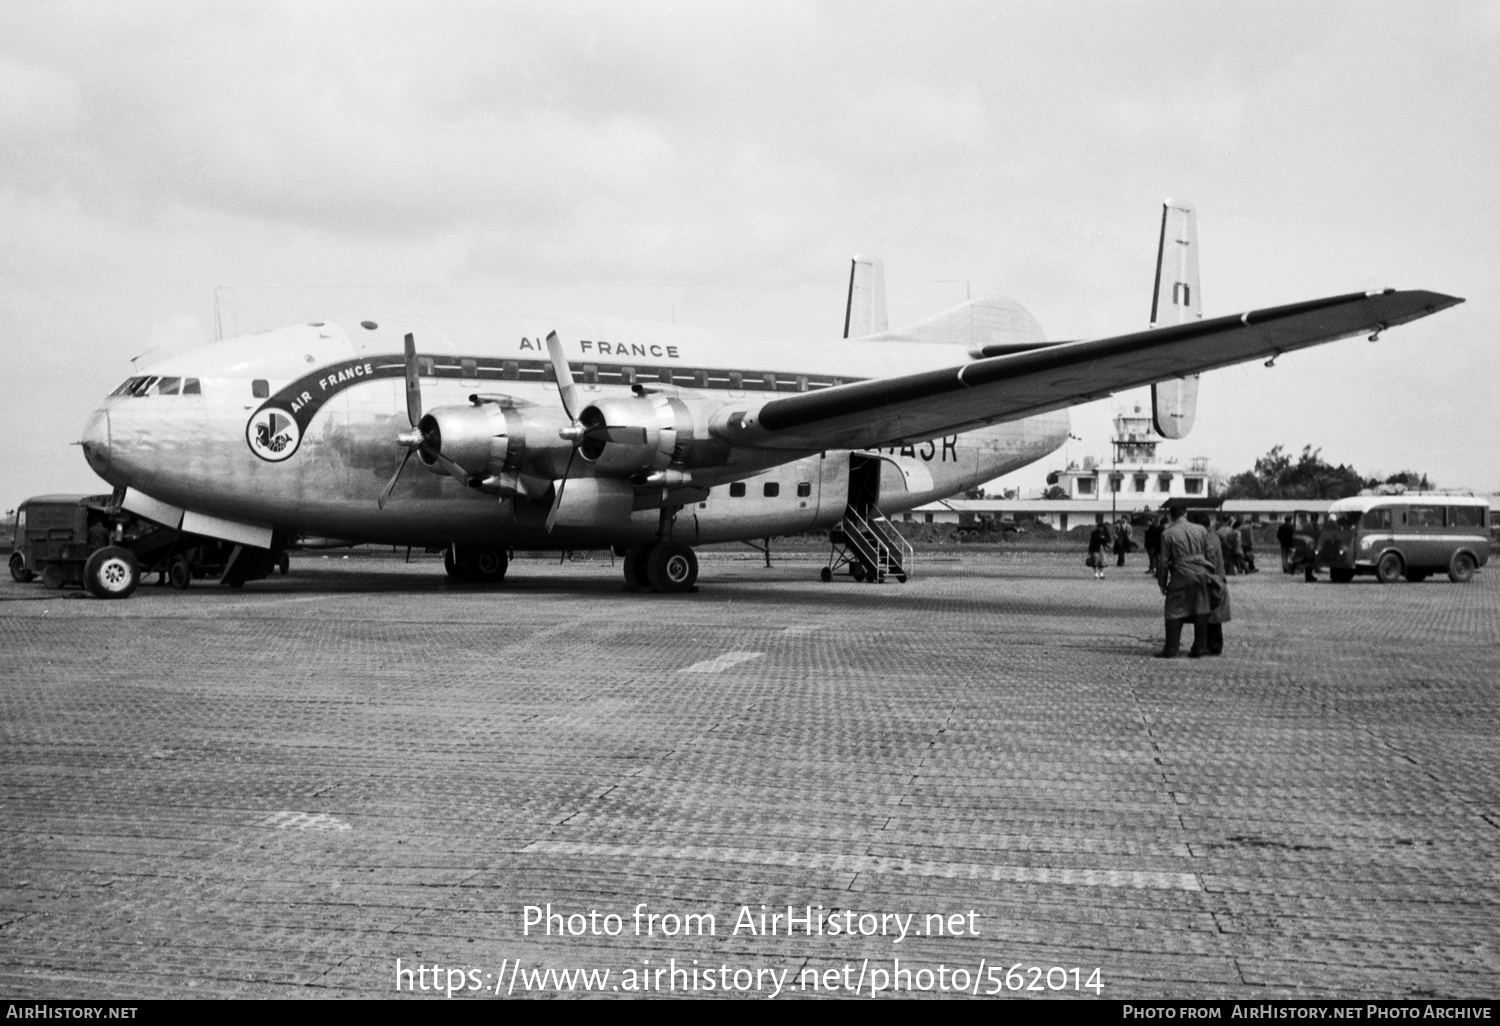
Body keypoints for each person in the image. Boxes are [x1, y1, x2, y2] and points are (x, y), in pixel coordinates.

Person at [1155, 506, 1216, 658]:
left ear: (1170, 516)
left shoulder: (1167, 534)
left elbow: (1163, 562)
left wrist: (1162, 583)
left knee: (1173, 610)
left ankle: (1171, 648)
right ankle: (1199, 648)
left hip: (1181, 573)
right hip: (1202, 572)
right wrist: (1212, 575)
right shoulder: (1201, 530)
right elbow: (1211, 553)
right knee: (1201, 609)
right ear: (1186, 514)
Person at [1194, 513, 1231, 655]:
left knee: (1211, 614)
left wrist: (1208, 576)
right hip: (1219, 577)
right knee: (1214, 614)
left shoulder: (1207, 537)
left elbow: (1211, 559)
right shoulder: (1214, 536)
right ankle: (1213, 645)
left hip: (1213, 579)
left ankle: (1213, 646)